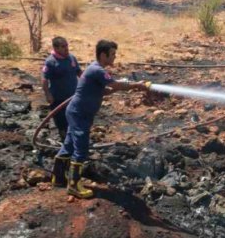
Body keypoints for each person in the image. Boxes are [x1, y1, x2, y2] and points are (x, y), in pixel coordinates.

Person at [51, 40, 150, 198]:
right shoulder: (98, 70)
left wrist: (116, 89)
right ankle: (74, 185)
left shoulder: (95, 69)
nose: (115, 57)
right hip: (79, 113)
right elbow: (115, 85)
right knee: (81, 148)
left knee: (69, 144)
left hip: (78, 112)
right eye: (112, 54)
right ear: (103, 55)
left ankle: (58, 178)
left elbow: (102, 90)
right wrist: (136, 85)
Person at [41, 36, 82, 142]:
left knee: (74, 119)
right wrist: (48, 94)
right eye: (63, 46)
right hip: (58, 99)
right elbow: (44, 79)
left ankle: (74, 140)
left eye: (67, 45)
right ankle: (65, 142)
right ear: (56, 48)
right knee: (61, 122)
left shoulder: (71, 58)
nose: (66, 48)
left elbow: (79, 72)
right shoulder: (51, 62)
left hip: (73, 96)